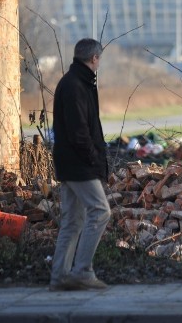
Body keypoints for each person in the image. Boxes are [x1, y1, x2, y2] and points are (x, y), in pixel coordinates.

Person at [49, 38, 111, 291]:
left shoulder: (75, 82)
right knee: (101, 211)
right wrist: (94, 160)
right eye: (99, 59)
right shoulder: (76, 86)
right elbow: (79, 132)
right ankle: (82, 271)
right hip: (79, 164)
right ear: (94, 58)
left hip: (70, 162)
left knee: (73, 221)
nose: (99, 64)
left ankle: (60, 276)